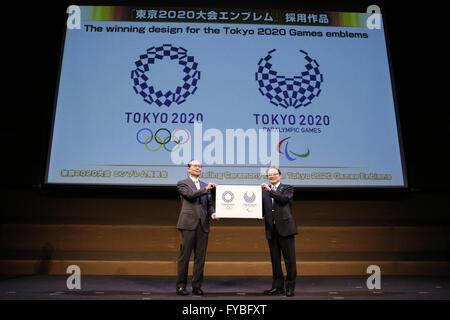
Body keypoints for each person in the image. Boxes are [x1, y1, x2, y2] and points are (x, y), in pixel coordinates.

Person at [176, 159, 218, 296]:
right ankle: (181, 286)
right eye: (195, 166)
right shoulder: (183, 183)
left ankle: (197, 286)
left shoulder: (205, 185)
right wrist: (205, 189)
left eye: (200, 166)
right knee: (185, 257)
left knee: (200, 257)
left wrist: (213, 213)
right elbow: (189, 196)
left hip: (203, 225)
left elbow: (209, 204)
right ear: (188, 168)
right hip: (188, 224)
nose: (198, 168)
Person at [261, 166, 298, 297]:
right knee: (275, 261)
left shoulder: (287, 188)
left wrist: (270, 190)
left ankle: (290, 288)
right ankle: (277, 287)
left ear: (280, 175)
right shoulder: (264, 191)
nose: (271, 176)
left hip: (286, 229)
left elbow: (283, 200)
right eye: (269, 175)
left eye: (274, 174)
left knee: (289, 261)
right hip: (271, 229)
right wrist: (260, 213)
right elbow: (262, 207)